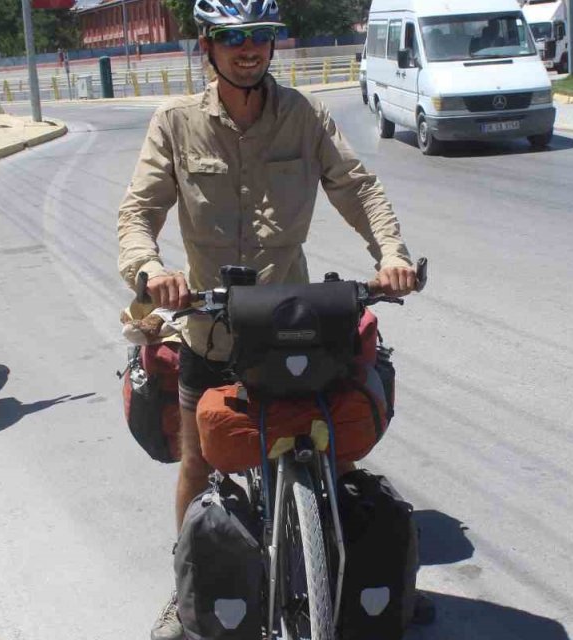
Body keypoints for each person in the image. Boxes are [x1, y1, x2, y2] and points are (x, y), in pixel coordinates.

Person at [115, 1, 419, 638]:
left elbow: (356, 186)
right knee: (197, 467)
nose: (248, 49)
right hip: (210, 325)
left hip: (289, 322)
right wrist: (151, 271)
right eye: (233, 37)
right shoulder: (175, 123)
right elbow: (138, 211)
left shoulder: (303, 116)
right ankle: (188, 589)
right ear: (208, 46)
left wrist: (390, 255)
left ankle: (353, 570)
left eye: (259, 36)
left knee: (331, 453)